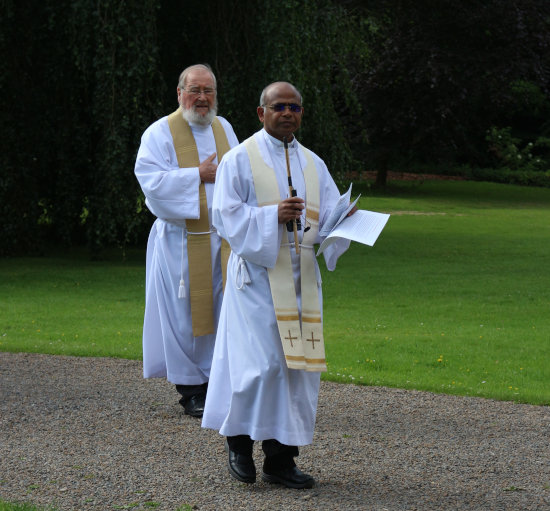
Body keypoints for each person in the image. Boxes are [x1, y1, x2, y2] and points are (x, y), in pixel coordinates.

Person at [202, 81, 354, 488]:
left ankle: (281, 459)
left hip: (301, 281)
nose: (287, 113)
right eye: (279, 106)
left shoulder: (313, 164)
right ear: (261, 112)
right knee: (258, 367)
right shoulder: (239, 159)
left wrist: (345, 223)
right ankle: (238, 444)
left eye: (295, 107)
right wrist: (272, 216)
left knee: (296, 371)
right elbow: (225, 215)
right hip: (256, 281)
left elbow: (328, 218)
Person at [134, 64, 239, 418]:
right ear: (179, 93)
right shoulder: (159, 133)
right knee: (184, 317)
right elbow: (151, 183)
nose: (202, 98)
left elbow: (244, 175)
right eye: (194, 90)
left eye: (208, 90)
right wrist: (198, 174)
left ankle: (216, 382)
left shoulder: (224, 128)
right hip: (181, 243)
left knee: (222, 311)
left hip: (222, 241)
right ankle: (191, 389)